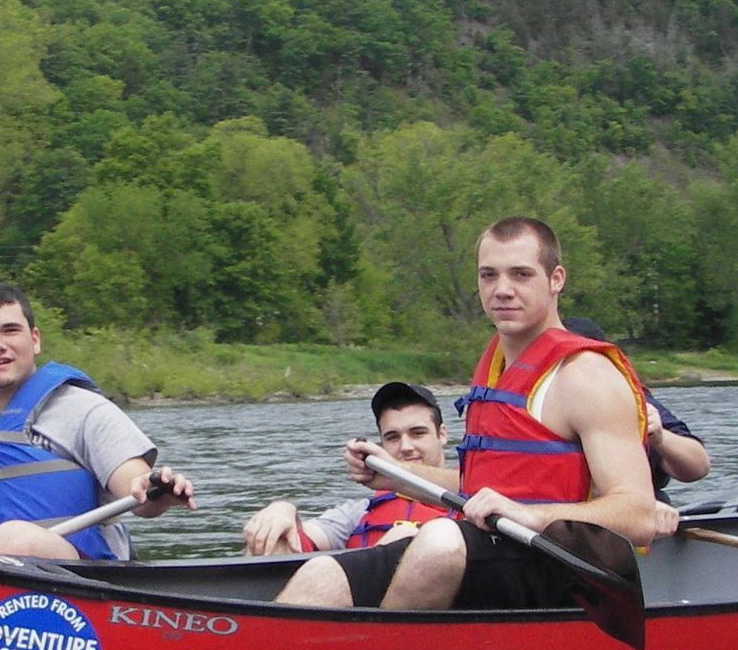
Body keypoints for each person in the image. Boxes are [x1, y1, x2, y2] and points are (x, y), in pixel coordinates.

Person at [277, 217, 663, 609]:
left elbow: (638, 515)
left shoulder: (586, 376)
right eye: (488, 275)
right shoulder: (498, 368)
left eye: (521, 274)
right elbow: (481, 486)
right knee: (322, 573)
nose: (502, 290)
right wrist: (398, 476)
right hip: (490, 551)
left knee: (440, 542)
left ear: (556, 279)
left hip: (558, 564)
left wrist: (530, 516)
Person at [0, 282, 193, 561]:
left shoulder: (85, 412)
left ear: (34, 340)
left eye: (10, 330)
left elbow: (137, 489)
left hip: (83, 585)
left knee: (14, 540)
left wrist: (155, 489)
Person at [241, 382, 454, 554]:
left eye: (418, 433)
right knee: (275, 541)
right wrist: (282, 510)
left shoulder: (478, 498)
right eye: (393, 437)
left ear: (441, 434)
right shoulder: (357, 513)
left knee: (403, 535)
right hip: (366, 599)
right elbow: (299, 537)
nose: (406, 447)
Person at [566, 316, 710, 503]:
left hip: (637, 515)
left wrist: (659, 437)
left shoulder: (635, 400)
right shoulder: (529, 402)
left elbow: (698, 467)